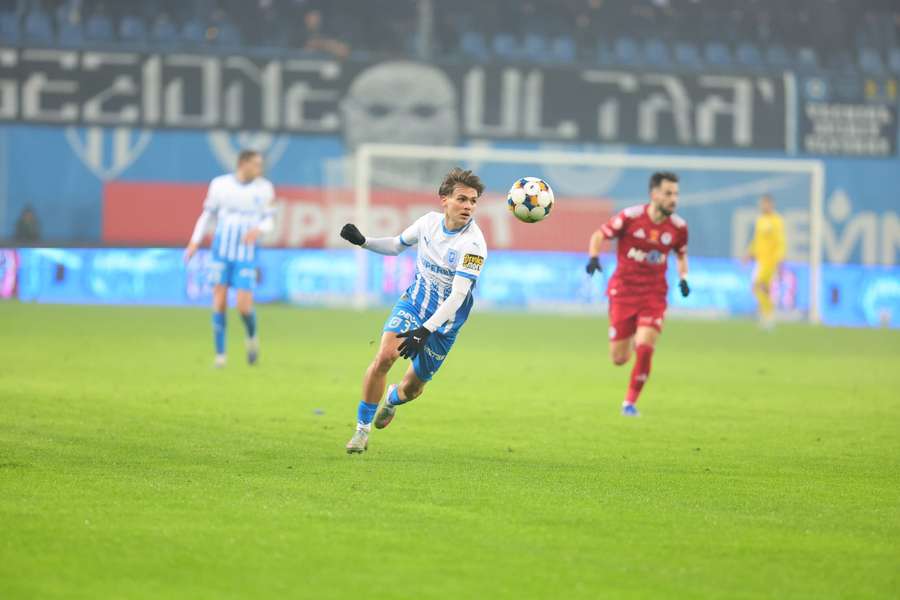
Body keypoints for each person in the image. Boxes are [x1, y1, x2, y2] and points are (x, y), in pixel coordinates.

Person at [339, 167, 487, 454]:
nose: (468, 206)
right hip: (414, 304)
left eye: (473, 201)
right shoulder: (428, 223)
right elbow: (396, 245)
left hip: (443, 326)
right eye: (462, 199)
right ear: (444, 199)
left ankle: (393, 400)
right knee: (384, 356)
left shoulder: (474, 246)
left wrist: (425, 331)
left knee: (412, 390)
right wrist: (364, 241)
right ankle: (361, 430)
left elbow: (457, 297)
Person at [585, 172, 690, 417]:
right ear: (654, 194)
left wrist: (684, 278)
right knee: (619, 358)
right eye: (668, 193)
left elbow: (681, 255)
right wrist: (593, 257)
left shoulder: (679, 227)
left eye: (676, 194)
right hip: (623, 292)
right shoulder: (630, 217)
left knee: (645, 347)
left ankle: (629, 403)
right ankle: (634, 334)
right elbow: (599, 235)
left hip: (653, 295)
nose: (673, 199)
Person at [184, 150, 275, 368]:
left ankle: (252, 338)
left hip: (246, 254)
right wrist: (195, 241)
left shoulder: (265, 189)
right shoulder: (219, 185)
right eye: (255, 164)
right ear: (242, 163)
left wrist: (259, 230)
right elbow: (207, 215)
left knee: (244, 307)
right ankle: (220, 356)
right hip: (221, 252)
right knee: (219, 300)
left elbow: (270, 221)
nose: (259, 169)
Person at [744, 194, 785, 330]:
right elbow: (757, 241)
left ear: (771, 205)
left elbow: (780, 243)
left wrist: (779, 260)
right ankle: (766, 316)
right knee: (764, 289)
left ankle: (768, 314)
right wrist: (749, 253)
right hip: (760, 261)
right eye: (762, 204)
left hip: (770, 261)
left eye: (766, 204)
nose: (764, 206)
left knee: (757, 287)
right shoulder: (761, 220)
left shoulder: (776, 221)